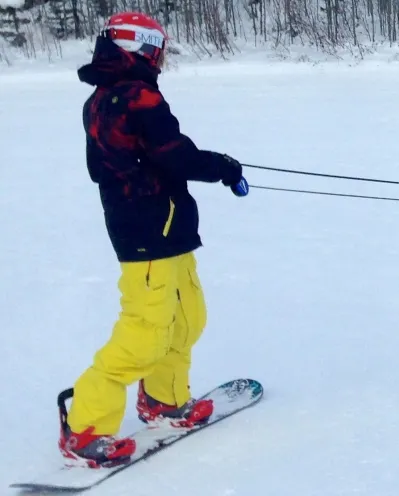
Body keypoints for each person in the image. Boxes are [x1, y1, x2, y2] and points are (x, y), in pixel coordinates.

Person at [60, 11, 250, 468]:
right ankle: (85, 427)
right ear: (140, 48)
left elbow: (156, 157)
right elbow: (174, 157)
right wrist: (223, 166)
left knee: (187, 318)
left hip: (168, 226)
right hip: (145, 229)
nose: (162, 58)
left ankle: (164, 400)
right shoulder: (135, 97)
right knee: (145, 331)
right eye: (158, 49)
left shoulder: (114, 95)